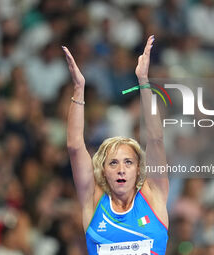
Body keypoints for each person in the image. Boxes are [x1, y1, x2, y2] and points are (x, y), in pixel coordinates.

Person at [63, 35, 169, 255]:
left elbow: (156, 139)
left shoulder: (154, 195)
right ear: (103, 169)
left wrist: (143, 82)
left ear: (139, 168)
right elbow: (74, 147)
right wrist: (78, 89)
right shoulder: (93, 200)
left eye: (128, 162)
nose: (121, 168)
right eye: (113, 163)